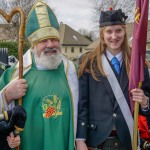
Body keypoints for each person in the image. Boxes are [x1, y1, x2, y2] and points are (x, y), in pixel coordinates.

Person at [0, 1, 78, 149]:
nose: (50, 45)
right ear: (34, 45)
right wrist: (7, 94)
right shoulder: (15, 74)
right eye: (43, 41)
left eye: (54, 39)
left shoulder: (72, 71)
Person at [76, 8, 150, 150]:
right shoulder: (87, 62)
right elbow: (82, 104)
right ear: (102, 34)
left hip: (129, 138)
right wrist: (80, 139)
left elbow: (145, 105)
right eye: (109, 31)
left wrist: (145, 102)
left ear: (124, 32)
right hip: (97, 138)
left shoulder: (138, 63)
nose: (114, 36)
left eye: (118, 31)